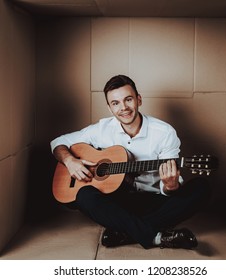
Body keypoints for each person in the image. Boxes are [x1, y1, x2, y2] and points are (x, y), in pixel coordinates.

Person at [50, 74, 210, 249]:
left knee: (202, 188)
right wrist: (70, 160)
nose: (123, 108)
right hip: (116, 202)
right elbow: (58, 142)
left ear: (138, 100)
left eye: (128, 100)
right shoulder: (102, 129)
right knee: (84, 195)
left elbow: (171, 183)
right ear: (110, 108)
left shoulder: (164, 132)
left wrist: (170, 186)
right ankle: (155, 236)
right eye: (115, 103)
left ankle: (124, 231)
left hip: (153, 201)